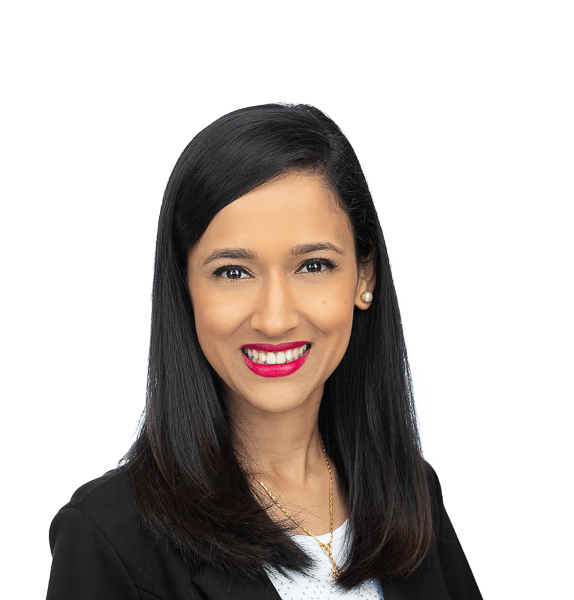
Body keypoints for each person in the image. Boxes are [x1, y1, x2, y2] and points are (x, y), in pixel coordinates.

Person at [47, 103, 483, 599]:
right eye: (233, 272)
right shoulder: (108, 537)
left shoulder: (410, 493)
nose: (275, 319)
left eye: (314, 265)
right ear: (185, 289)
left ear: (364, 276)